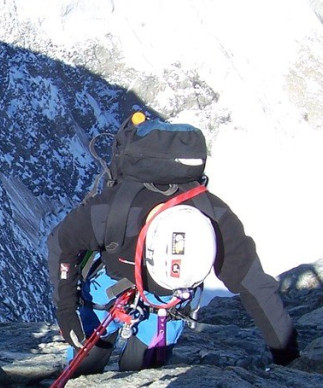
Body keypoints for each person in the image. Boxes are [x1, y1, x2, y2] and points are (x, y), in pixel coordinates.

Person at [47, 120, 300, 374]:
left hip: (112, 287)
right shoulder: (211, 213)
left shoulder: (110, 210)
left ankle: (76, 387)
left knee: (85, 364)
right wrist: (288, 356)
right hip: (168, 304)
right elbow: (254, 285)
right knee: (141, 374)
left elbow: (62, 244)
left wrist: (67, 312)